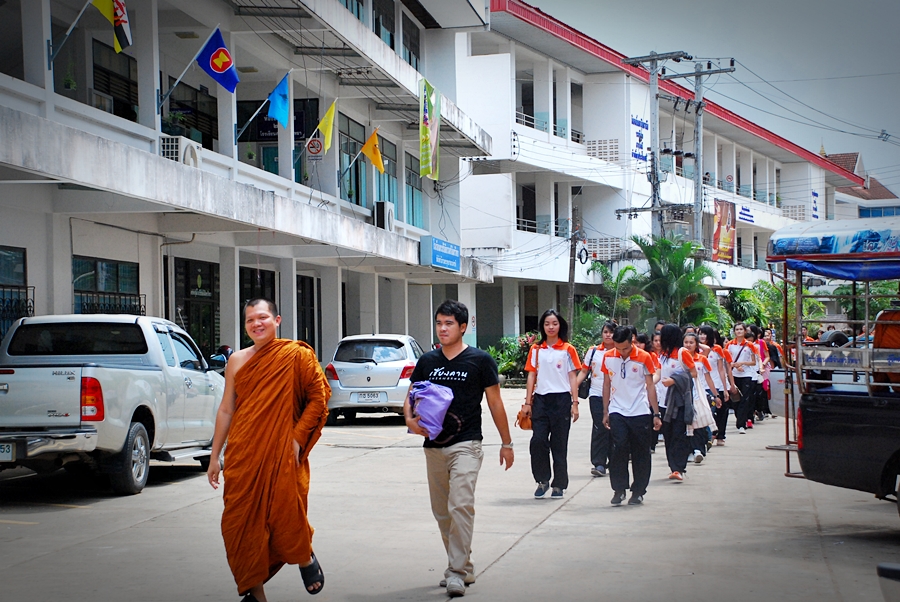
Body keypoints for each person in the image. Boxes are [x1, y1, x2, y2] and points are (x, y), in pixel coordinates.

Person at [207, 299, 330, 602]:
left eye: (262, 317)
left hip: (282, 449)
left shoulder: (296, 355)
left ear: (277, 320)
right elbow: (226, 409)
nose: (256, 324)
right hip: (243, 452)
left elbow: (318, 398)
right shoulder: (236, 360)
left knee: (285, 512)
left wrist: (298, 438)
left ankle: (303, 555)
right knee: (239, 523)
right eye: (250, 320)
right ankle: (256, 592)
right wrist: (214, 456)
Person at [404, 300, 514, 598]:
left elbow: (495, 403)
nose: (442, 329)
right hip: (433, 445)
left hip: (467, 443)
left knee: (460, 505)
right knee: (442, 512)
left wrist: (506, 443)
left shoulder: (480, 360)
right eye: (439, 323)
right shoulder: (427, 361)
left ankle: (455, 572)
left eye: (449, 323)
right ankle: (464, 564)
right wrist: (409, 419)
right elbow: (412, 394)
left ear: (463, 327)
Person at [522, 309, 581, 499]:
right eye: (547, 324)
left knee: (559, 445)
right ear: (542, 327)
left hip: (561, 400)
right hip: (541, 400)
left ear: (560, 325)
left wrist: (575, 403)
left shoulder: (568, 349)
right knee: (538, 441)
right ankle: (542, 480)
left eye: (554, 323)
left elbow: (573, 376)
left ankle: (559, 485)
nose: (551, 327)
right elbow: (531, 375)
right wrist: (527, 403)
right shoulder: (536, 349)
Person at [601, 326, 661, 505]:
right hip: (617, 410)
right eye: (618, 348)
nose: (622, 352)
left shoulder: (644, 357)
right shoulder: (608, 357)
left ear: (632, 341)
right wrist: (605, 411)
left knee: (640, 452)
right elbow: (606, 384)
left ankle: (638, 491)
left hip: (639, 411)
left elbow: (650, 386)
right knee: (618, 448)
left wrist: (656, 413)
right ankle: (619, 489)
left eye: (625, 348)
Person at [656, 324, 697, 481]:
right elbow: (658, 373)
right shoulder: (662, 355)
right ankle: (673, 467)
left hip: (679, 402)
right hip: (664, 402)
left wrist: (674, 380)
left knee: (679, 434)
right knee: (668, 435)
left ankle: (679, 467)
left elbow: (693, 373)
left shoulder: (682, 353)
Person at [576, 321, 616, 478]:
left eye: (611, 332)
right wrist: (572, 389)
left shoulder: (621, 351)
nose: (608, 335)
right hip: (596, 394)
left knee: (615, 428)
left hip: (617, 396)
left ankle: (614, 460)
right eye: (605, 332)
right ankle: (599, 463)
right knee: (600, 426)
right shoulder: (593, 351)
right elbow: (584, 371)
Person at [683, 332, 719, 463]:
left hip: (699, 395)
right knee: (686, 424)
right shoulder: (679, 359)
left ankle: (698, 450)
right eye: (686, 342)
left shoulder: (702, 359)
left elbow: (708, 378)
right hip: (684, 396)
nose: (688, 345)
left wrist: (716, 395)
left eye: (691, 342)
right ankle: (689, 450)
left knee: (698, 423)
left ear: (696, 344)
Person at [699, 326, 734, 445]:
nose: (702, 336)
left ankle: (716, 436)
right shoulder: (695, 349)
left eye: (704, 334)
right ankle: (708, 436)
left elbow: (721, 370)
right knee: (705, 412)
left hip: (715, 385)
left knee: (716, 411)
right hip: (700, 385)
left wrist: (725, 388)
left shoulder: (717, 349)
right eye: (700, 334)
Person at [726, 323, 760, 434]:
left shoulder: (750, 345)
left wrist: (743, 363)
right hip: (734, 374)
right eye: (737, 329)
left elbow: (753, 362)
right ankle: (740, 418)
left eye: (741, 329)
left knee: (745, 399)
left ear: (745, 331)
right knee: (735, 399)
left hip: (747, 374)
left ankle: (741, 424)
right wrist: (735, 365)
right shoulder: (729, 345)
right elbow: (727, 361)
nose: (739, 331)